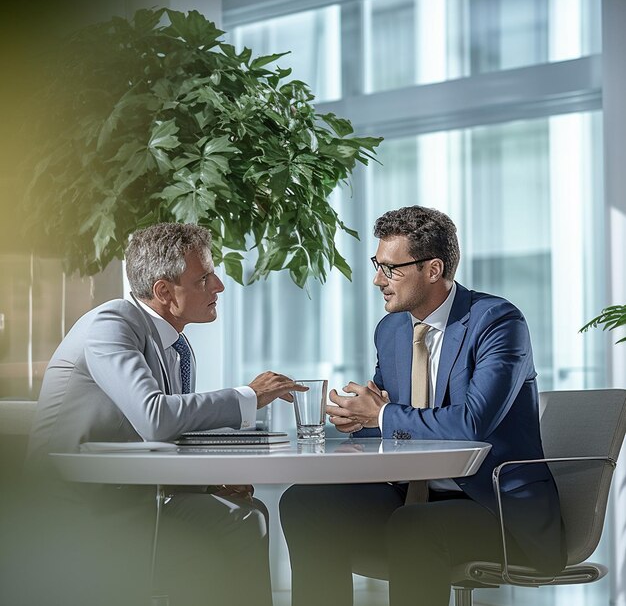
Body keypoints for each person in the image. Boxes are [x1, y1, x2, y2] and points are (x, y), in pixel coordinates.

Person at [279, 206, 566, 606]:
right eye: (377, 265)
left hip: (493, 507)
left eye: (391, 269)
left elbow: (471, 423)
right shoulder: (391, 329)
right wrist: (357, 420)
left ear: (433, 269)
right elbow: (393, 423)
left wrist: (378, 414)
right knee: (305, 502)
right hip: (409, 498)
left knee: (414, 527)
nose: (378, 279)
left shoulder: (498, 322)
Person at [21, 222, 305, 606]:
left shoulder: (174, 343)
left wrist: (206, 484)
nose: (219, 286)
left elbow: (162, 439)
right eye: (204, 278)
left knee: (247, 512)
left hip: (134, 498)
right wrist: (248, 395)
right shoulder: (112, 324)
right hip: (81, 512)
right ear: (163, 291)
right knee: (236, 523)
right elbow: (155, 418)